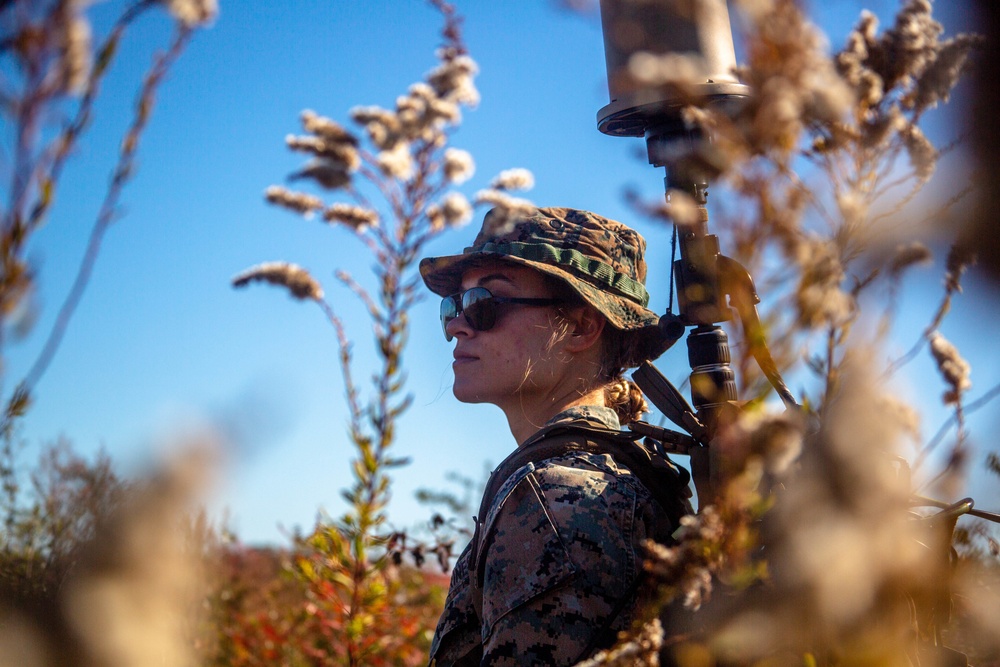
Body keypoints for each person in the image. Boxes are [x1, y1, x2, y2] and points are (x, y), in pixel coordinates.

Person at [420, 206, 692, 666]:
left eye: (485, 303)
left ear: (583, 327)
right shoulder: (600, 476)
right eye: (454, 305)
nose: (456, 326)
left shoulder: (555, 497)